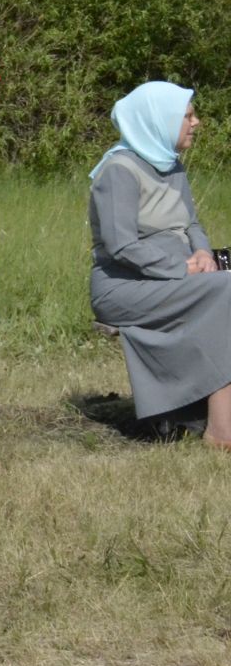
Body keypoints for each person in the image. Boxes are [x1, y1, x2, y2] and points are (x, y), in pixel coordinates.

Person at [89, 82, 231, 444]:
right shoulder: (119, 170)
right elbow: (121, 246)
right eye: (187, 116)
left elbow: (191, 224)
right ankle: (220, 428)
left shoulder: (171, 164)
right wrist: (181, 269)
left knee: (224, 285)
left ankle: (205, 413)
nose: (196, 122)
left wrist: (202, 253)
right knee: (226, 291)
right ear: (160, 120)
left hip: (176, 275)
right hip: (125, 287)